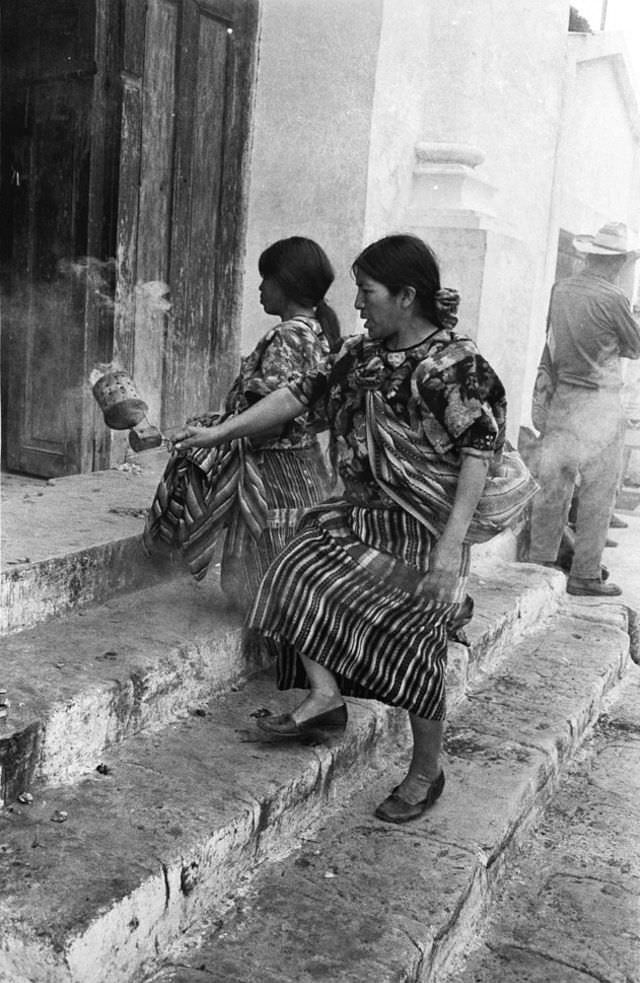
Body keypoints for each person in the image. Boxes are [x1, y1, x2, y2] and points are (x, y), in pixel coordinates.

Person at [172, 233, 511, 825]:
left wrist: (447, 554)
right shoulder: (360, 355)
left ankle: (426, 769)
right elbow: (297, 396)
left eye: (369, 291)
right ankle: (326, 697)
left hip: (426, 531)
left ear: (407, 297)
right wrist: (221, 434)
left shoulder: (454, 367)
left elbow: (477, 458)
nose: (356, 303)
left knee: (416, 644)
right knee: (293, 567)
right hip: (362, 516)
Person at [144, 236, 341, 611]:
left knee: (257, 585)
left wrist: (218, 432)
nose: (260, 288)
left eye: (266, 278)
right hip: (304, 468)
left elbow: (272, 420)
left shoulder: (286, 336)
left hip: (274, 473)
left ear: (286, 283)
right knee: (287, 570)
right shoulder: (318, 332)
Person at [528, 221, 640, 596]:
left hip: (563, 397)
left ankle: (540, 563)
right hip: (599, 404)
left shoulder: (561, 289)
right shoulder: (614, 298)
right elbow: (635, 346)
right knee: (598, 492)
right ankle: (585, 575)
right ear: (619, 261)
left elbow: (551, 341)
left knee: (553, 485)